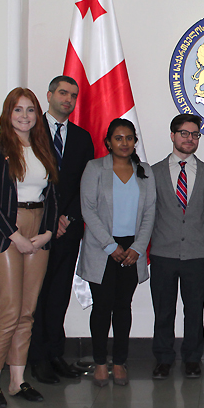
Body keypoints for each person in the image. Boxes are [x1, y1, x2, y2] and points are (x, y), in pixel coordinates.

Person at [0, 87, 58, 408]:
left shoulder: (42, 147)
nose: (25, 116)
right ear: (7, 114)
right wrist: (15, 235)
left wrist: (47, 232)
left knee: (27, 311)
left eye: (31, 110)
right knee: (9, 310)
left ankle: (17, 380)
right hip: (4, 232)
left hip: (38, 231)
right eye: (18, 110)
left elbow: (52, 195)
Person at [77, 119, 156, 386]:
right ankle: (100, 363)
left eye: (129, 138)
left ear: (135, 142)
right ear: (108, 142)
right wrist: (111, 247)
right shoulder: (95, 168)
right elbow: (88, 210)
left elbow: (149, 214)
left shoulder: (144, 171)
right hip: (103, 248)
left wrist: (137, 247)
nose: (124, 143)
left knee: (123, 307)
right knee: (101, 308)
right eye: (118, 138)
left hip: (132, 249)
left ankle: (120, 362)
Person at [29, 76, 94, 385]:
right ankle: (36, 357)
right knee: (36, 295)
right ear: (50, 95)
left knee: (58, 294)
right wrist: (49, 217)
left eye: (73, 95)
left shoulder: (82, 138)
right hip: (35, 227)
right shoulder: (29, 132)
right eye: (63, 93)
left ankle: (55, 353)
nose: (68, 99)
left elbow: (86, 184)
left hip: (68, 228)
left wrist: (67, 216)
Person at [150, 114, 204, 380]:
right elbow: (149, 213)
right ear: (173, 135)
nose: (189, 139)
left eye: (194, 134)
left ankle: (192, 359)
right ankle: (164, 359)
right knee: (164, 310)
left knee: (194, 310)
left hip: (196, 254)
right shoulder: (153, 172)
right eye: (184, 133)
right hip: (163, 253)